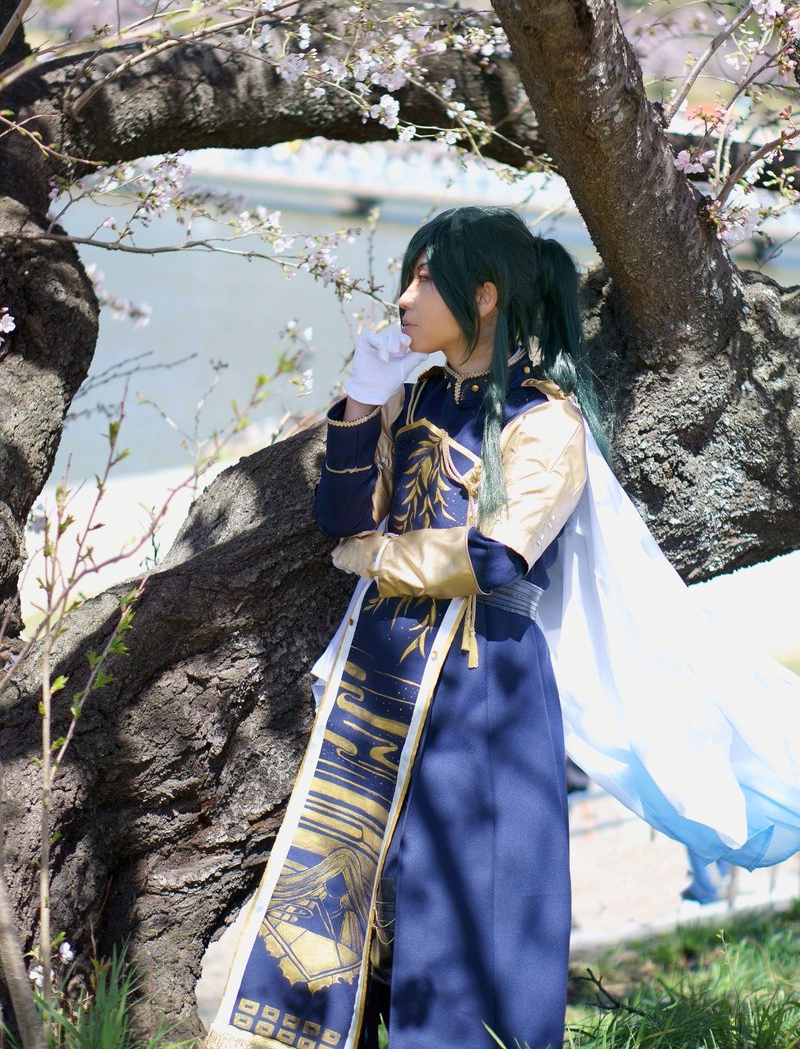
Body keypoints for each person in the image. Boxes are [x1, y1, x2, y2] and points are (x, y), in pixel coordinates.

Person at [207, 205, 800, 1049]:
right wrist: (361, 402)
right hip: (381, 674)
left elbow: (497, 558)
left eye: (424, 278)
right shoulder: (416, 399)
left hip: (482, 687)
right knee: (358, 896)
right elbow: (340, 516)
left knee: (465, 902)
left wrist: (378, 557)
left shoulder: (545, 420)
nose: (404, 298)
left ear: (483, 295)